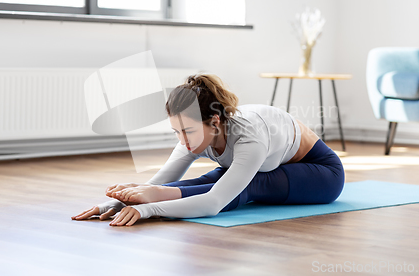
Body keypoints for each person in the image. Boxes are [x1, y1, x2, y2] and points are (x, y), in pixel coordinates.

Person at [72, 73, 345, 226]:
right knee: (218, 177)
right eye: (176, 132)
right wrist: (121, 201)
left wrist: (150, 209)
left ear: (214, 122)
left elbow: (215, 203)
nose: (183, 141)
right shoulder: (194, 134)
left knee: (246, 185)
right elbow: (158, 182)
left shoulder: (250, 137)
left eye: (188, 132)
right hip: (278, 169)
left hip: (321, 173)